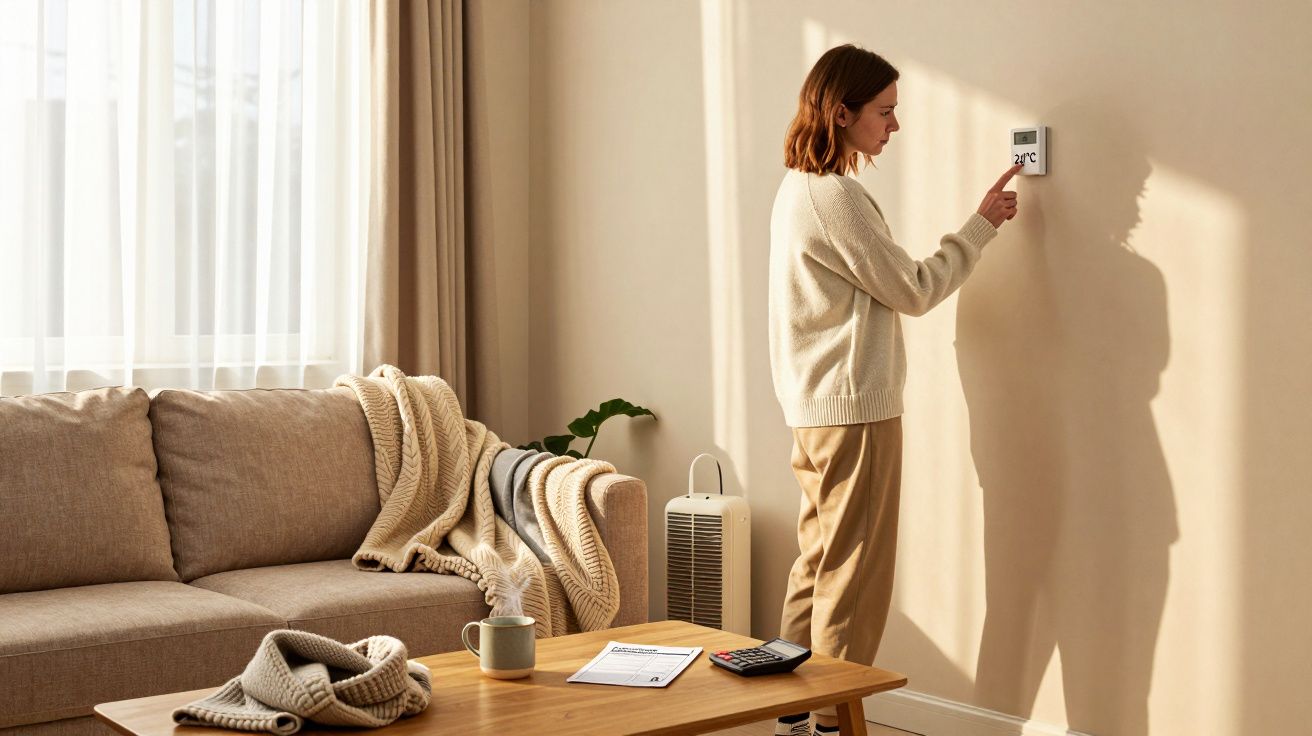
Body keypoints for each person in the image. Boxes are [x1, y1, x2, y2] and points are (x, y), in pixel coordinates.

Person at [767, 44, 1022, 736]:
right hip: (855, 412)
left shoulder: (797, 189)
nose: (894, 126)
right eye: (885, 112)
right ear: (841, 111)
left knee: (818, 562)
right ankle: (830, 721)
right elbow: (911, 289)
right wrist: (981, 225)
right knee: (855, 577)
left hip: (815, 412)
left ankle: (790, 713)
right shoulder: (836, 197)